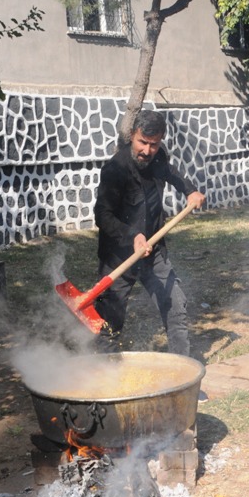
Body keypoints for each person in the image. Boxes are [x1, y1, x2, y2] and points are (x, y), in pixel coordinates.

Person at [92, 109, 207, 359]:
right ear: (133, 135)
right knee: (109, 321)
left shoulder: (158, 158)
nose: (147, 151)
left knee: (175, 306)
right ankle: (102, 379)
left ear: (161, 140)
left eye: (153, 145)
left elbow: (172, 174)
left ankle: (182, 375)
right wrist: (132, 236)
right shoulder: (115, 170)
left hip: (154, 252)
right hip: (118, 258)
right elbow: (102, 215)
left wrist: (189, 190)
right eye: (142, 142)